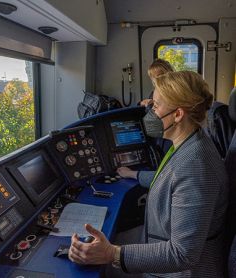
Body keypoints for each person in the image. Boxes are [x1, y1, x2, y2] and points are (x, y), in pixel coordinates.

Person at [68, 71, 229, 277]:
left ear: (178, 114)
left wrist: (112, 254)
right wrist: (133, 175)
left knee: (96, 267)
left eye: (155, 105)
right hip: (160, 239)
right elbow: (170, 179)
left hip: (182, 271)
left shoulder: (196, 166)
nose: (150, 112)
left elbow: (182, 254)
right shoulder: (189, 143)